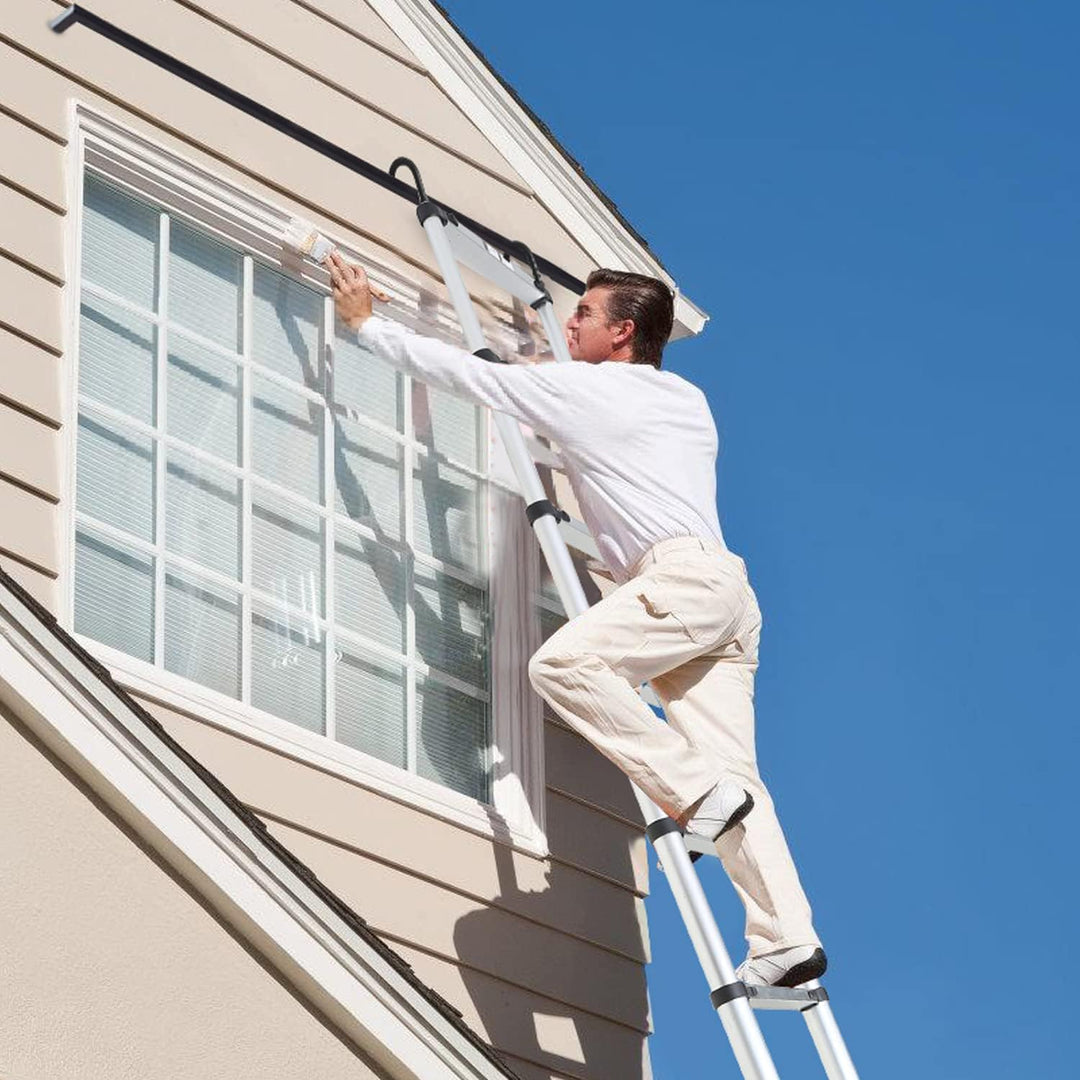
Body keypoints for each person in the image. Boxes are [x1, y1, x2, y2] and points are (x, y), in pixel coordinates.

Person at [326, 251, 826, 988]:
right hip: (723, 598)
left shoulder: (592, 394)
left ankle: (694, 795)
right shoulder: (684, 399)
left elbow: (477, 379)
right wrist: (547, 350)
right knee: (739, 776)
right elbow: (586, 411)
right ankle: (787, 938)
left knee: (562, 666)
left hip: (679, 585)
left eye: (583, 315)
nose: (569, 323)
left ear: (622, 332)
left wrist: (369, 326)